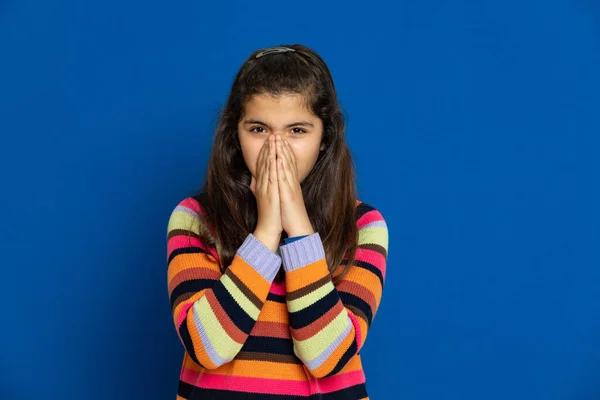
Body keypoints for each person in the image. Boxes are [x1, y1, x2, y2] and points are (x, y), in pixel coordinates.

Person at [166, 44, 389, 400]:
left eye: (297, 130)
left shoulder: (363, 227)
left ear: (324, 139)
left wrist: (298, 230)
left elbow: (326, 357)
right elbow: (208, 348)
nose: (276, 149)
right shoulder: (194, 219)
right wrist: (266, 232)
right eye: (258, 129)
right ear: (235, 136)